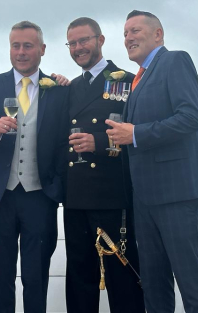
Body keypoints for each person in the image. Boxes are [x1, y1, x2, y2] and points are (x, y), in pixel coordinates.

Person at [106, 10, 198, 313]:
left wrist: (136, 133)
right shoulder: (139, 79)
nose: (128, 37)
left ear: (158, 34)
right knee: (153, 283)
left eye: (135, 30)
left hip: (178, 194)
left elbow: (191, 118)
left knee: (190, 280)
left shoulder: (175, 61)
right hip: (145, 199)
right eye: (125, 33)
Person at [0, 21, 70, 313]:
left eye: (28, 45)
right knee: (0, 278)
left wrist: (57, 188)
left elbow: (64, 144)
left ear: (42, 49)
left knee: (37, 277)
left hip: (40, 196)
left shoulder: (59, 89)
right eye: (16, 45)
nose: (21, 52)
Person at [63, 17, 145, 313]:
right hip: (75, 198)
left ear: (100, 40)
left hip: (113, 195)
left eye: (84, 40)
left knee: (121, 278)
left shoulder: (125, 79)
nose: (78, 48)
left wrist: (99, 141)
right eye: (72, 43)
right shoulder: (70, 87)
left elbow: (137, 132)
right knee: (80, 278)